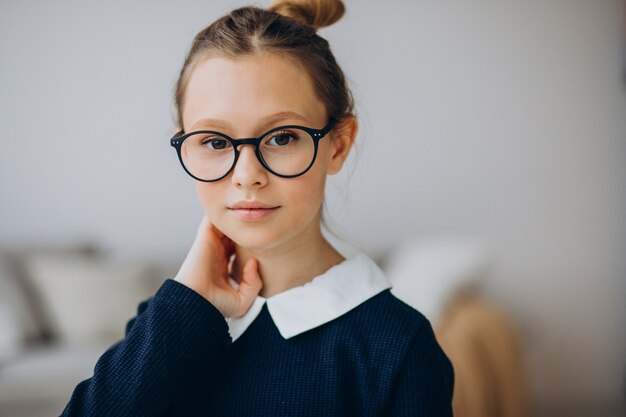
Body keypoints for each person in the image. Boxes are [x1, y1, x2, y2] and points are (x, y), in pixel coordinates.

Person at [59, 1, 455, 416]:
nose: (247, 175)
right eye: (214, 142)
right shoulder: (167, 323)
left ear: (337, 144)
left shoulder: (398, 347)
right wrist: (187, 308)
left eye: (282, 138)